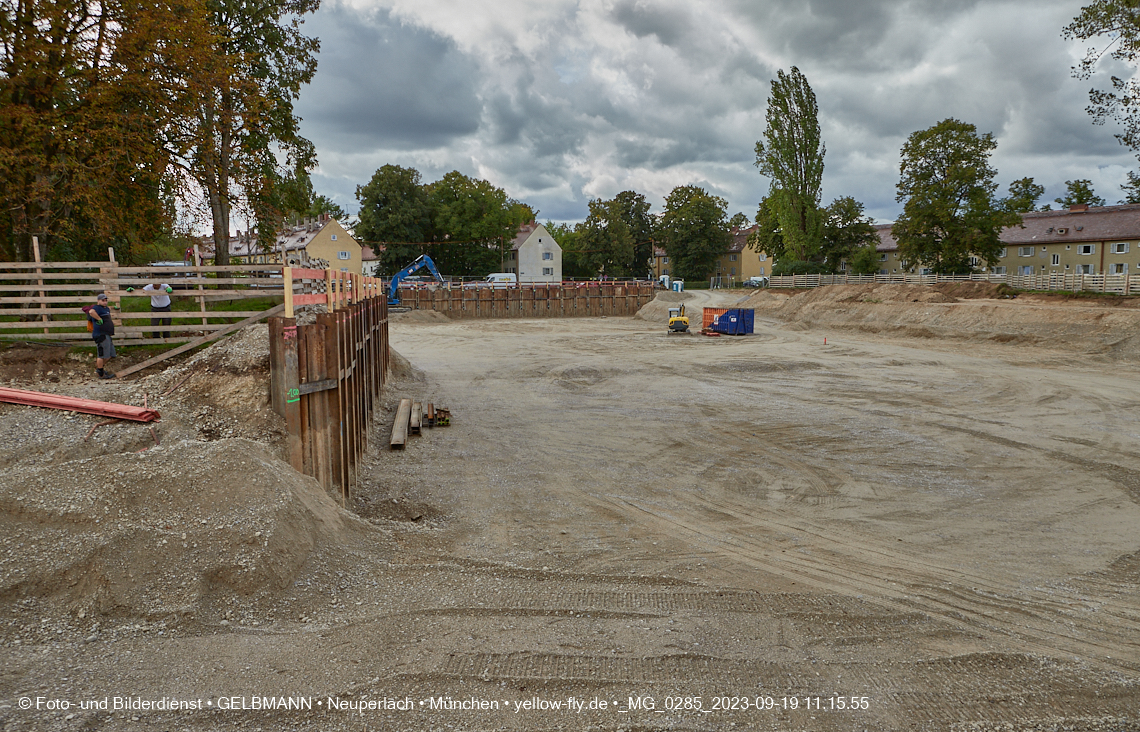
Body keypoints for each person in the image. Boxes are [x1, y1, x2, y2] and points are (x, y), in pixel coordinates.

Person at [86, 293, 116, 379]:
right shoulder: (97, 308)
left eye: (106, 300)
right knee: (102, 355)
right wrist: (99, 319)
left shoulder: (106, 309)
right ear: (98, 301)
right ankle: (101, 374)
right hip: (100, 334)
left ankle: (99, 369)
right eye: (103, 300)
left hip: (107, 334)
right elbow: (91, 312)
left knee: (110, 354)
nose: (105, 302)